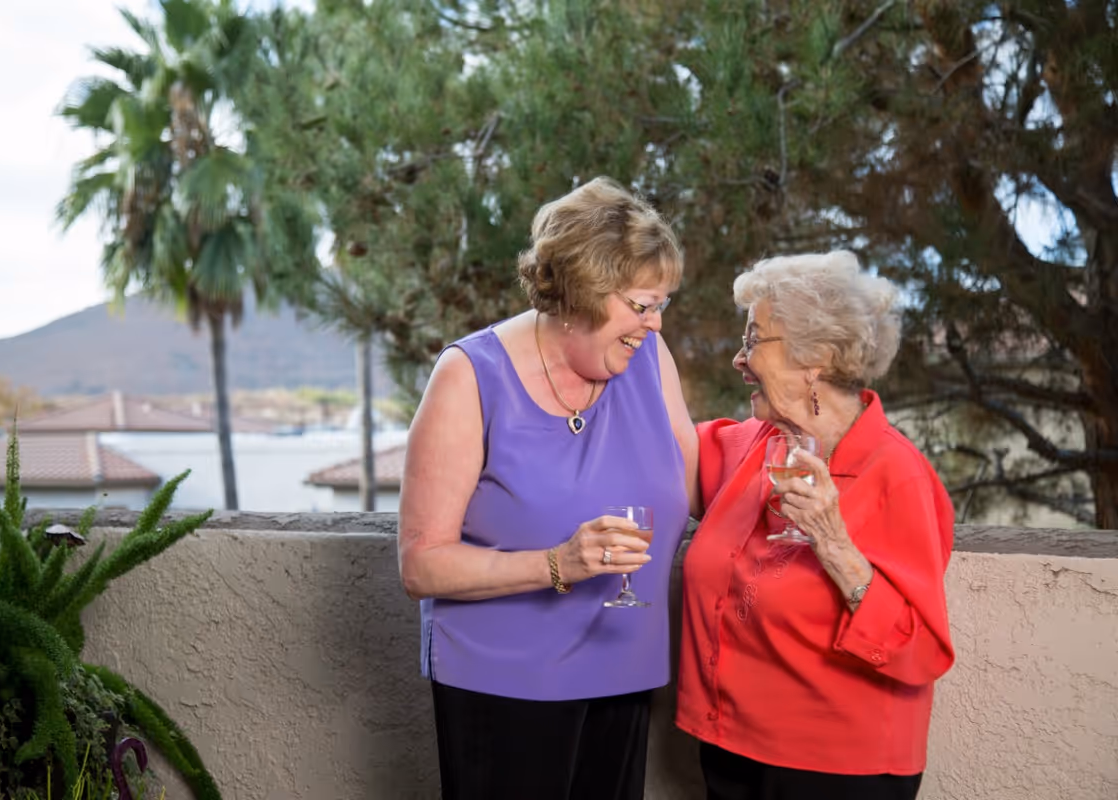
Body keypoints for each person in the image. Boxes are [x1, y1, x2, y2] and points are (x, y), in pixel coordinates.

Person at [398, 176, 699, 800]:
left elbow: (695, 487)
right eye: (643, 304)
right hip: (504, 683)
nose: (655, 323)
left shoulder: (650, 360)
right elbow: (421, 565)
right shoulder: (469, 376)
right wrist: (559, 564)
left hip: (624, 669)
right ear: (586, 291)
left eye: (661, 303)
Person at [676, 250, 955, 800]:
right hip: (731, 748)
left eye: (754, 339)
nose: (738, 358)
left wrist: (832, 543)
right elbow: (661, 444)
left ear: (816, 359)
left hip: (838, 770)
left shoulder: (896, 473)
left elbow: (919, 649)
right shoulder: (755, 447)